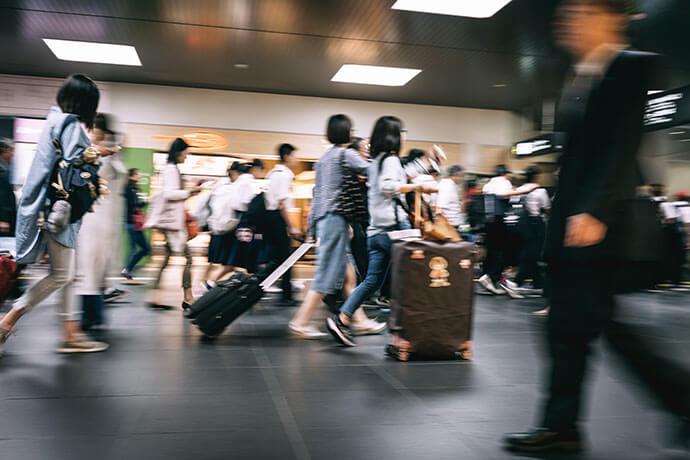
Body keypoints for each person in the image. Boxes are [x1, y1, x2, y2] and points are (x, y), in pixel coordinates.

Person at [504, 0, 690, 454]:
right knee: (582, 326)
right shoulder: (580, 76)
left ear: (611, 17)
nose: (567, 21)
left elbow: (619, 143)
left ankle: (565, 425)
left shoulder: (631, 66)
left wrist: (594, 211)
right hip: (577, 224)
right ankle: (564, 425)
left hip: (602, 224)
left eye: (581, 11)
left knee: (583, 325)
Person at [0, 74, 108, 355]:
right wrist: (99, 152)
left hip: (47, 207)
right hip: (59, 211)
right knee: (62, 275)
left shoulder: (53, 119)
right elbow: (77, 158)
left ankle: (70, 334)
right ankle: (7, 322)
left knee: (68, 275)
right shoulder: (70, 123)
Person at [326, 116, 436, 347]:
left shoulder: (375, 161)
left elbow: (399, 174)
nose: (404, 136)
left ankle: (342, 318)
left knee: (372, 281)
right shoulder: (391, 160)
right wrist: (419, 186)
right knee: (415, 278)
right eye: (401, 131)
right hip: (395, 231)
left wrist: (428, 161)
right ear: (394, 135)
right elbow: (390, 187)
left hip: (375, 233)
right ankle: (410, 330)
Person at [289, 114, 383, 338]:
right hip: (335, 220)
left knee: (348, 275)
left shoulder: (323, 159)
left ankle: (358, 319)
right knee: (327, 274)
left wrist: (312, 229)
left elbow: (317, 196)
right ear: (346, 132)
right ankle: (300, 322)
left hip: (329, 220)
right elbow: (373, 172)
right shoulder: (345, 155)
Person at [75, 113, 129, 329]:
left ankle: (91, 315)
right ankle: (93, 314)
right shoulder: (107, 153)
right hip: (95, 217)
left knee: (91, 265)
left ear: (102, 131)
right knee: (90, 267)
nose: (91, 132)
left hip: (98, 218)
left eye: (94, 128)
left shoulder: (107, 155)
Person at [145, 138, 200, 311]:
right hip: (173, 224)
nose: (186, 156)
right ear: (178, 152)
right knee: (189, 258)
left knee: (167, 259)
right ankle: (188, 297)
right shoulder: (170, 170)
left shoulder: (172, 169)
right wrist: (188, 192)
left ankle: (155, 297)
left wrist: (189, 192)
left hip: (173, 222)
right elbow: (169, 194)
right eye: (185, 153)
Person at [501, 166, 551, 299]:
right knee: (533, 252)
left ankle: (539, 283)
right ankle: (516, 282)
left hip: (520, 225)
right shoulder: (540, 190)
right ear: (536, 176)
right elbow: (546, 207)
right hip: (535, 224)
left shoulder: (519, 189)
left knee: (527, 251)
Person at [263, 144, 302, 305]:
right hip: (277, 218)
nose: (295, 159)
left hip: (270, 218)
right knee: (285, 257)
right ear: (286, 157)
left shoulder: (272, 173)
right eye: (293, 156)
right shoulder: (284, 175)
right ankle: (285, 296)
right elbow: (282, 203)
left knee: (278, 257)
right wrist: (291, 225)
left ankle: (278, 290)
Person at [203, 161, 241, 285]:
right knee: (225, 262)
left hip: (219, 227)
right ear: (233, 173)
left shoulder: (220, 185)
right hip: (225, 227)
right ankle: (208, 283)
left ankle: (205, 283)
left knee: (215, 261)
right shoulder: (228, 187)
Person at [122, 168, 151, 281]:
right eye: (137, 175)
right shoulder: (129, 189)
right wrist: (145, 202)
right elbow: (134, 206)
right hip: (132, 223)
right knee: (141, 248)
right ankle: (127, 269)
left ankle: (127, 270)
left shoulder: (133, 189)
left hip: (133, 223)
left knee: (139, 248)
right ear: (131, 177)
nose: (139, 177)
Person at [0, 138, 16, 237]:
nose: (13, 154)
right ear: (4, 151)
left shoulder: (4, 168)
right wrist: (3, 219)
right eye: (11, 150)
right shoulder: (2, 171)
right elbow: (2, 197)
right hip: (4, 220)